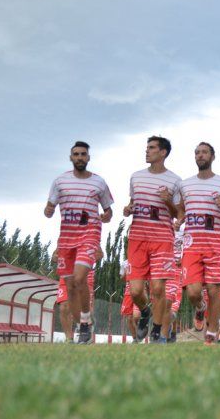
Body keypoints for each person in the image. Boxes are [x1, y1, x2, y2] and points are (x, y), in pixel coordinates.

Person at [45, 141, 113, 344]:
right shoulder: (59, 182)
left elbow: (108, 210)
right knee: (70, 288)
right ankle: (82, 323)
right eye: (76, 154)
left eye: (83, 154)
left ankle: (84, 323)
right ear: (71, 157)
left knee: (80, 278)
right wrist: (48, 210)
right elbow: (49, 208)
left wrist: (106, 216)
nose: (80, 157)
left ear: (88, 157)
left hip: (89, 236)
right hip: (66, 240)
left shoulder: (99, 182)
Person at [178, 142, 220, 344]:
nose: (200, 155)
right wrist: (178, 220)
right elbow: (180, 210)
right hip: (192, 244)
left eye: (204, 152)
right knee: (193, 292)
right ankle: (200, 308)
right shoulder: (185, 185)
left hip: (216, 244)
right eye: (197, 152)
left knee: (214, 291)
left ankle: (212, 334)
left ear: (212, 156)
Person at [123, 136, 183, 343]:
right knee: (136, 291)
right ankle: (145, 311)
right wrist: (128, 209)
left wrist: (168, 202)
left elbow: (179, 214)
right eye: (146, 147)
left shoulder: (175, 181)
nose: (147, 151)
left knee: (158, 289)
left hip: (162, 240)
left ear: (163, 152)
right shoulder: (136, 177)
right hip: (137, 239)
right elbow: (132, 204)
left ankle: (157, 331)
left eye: (151, 148)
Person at [118, 259, 141, 342]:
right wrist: (126, 273)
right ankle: (135, 339)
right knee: (129, 318)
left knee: (136, 316)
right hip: (128, 293)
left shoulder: (142, 260)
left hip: (139, 291)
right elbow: (122, 278)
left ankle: (140, 331)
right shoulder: (125, 263)